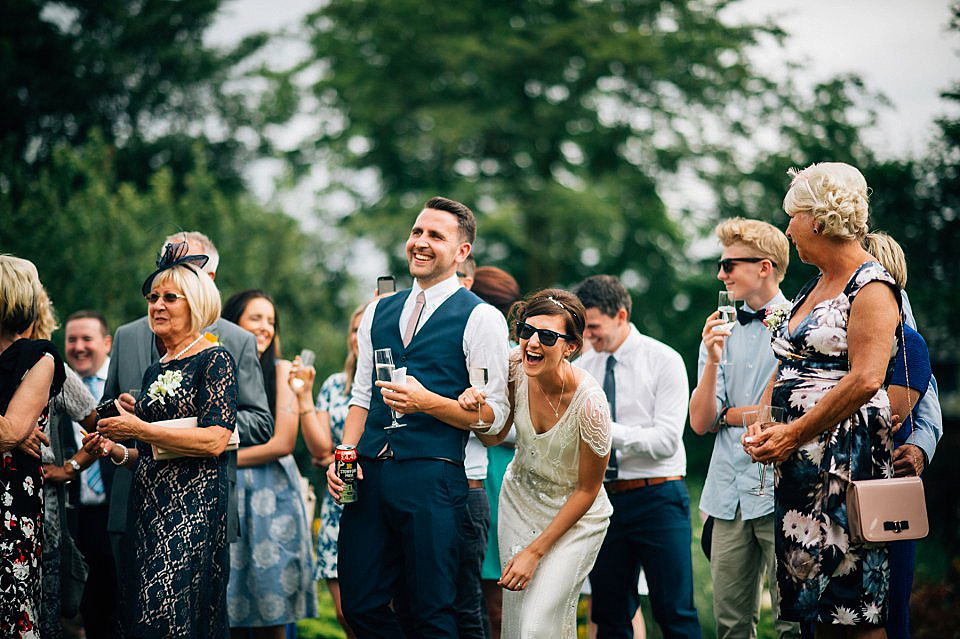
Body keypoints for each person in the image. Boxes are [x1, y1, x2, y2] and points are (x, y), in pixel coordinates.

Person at [326, 196, 510, 639]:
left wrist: (427, 402)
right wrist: (343, 454)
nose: (420, 243)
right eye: (416, 232)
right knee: (359, 604)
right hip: (367, 475)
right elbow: (361, 395)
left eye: (435, 236)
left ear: (462, 252)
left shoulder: (481, 318)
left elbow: (495, 416)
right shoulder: (377, 310)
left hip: (436, 477)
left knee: (433, 612)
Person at [744, 162, 899, 638]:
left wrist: (793, 431)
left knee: (851, 608)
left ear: (817, 219)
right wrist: (770, 423)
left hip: (847, 466)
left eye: (791, 217)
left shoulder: (870, 286)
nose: (787, 228)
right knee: (811, 609)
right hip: (800, 466)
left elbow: (867, 378)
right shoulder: (814, 284)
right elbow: (793, 364)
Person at [84, 243, 239, 636]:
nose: (158, 305)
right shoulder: (155, 370)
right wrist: (117, 447)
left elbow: (215, 440)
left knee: (172, 616)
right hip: (148, 507)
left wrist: (138, 428)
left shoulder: (215, 360)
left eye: (171, 297)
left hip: (194, 509)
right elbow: (153, 454)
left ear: (197, 303)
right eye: (153, 297)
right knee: (140, 614)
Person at [101, 231, 273, 559]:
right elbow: (110, 411)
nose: (160, 303)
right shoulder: (127, 335)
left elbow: (259, 422)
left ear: (206, 280)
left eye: (185, 270)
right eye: (155, 293)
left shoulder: (234, 342)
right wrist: (115, 431)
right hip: (136, 497)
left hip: (200, 500)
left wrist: (195, 424)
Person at [462, 288, 611, 639]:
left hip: (577, 516)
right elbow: (493, 437)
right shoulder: (515, 368)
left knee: (537, 621)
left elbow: (588, 489)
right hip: (520, 503)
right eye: (526, 331)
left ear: (570, 347)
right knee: (518, 622)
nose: (531, 342)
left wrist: (533, 553)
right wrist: (477, 408)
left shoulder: (591, 406)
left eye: (547, 336)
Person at [688, 218, 800, 639]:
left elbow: (784, 413)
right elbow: (701, 422)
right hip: (727, 492)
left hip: (781, 488)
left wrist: (732, 414)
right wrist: (713, 357)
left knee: (793, 622)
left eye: (729, 264)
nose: (721, 274)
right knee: (730, 625)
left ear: (764, 267)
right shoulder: (717, 328)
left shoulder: (800, 325)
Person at [574, 275, 700, 639]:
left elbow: (665, 441)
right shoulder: (583, 369)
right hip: (602, 500)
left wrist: (602, 428)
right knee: (609, 613)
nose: (589, 336)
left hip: (658, 498)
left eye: (594, 326)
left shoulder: (664, 360)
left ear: (621, 315)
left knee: (674, 610)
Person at [221, 290, 317, 638]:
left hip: (271, 500)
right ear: (232, 324)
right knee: (225, 602)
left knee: (272, 600)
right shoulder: (214, 368)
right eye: (255, 318)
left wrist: (214, 458)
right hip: (226, 495)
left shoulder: (281, 372)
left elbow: (282, 443)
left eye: (271, 321)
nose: (265, 328)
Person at [862, 232, 941, 639]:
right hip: (840, 487)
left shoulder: (907, 339)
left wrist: (920, 448)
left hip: (887, 484)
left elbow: (925, 411)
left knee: (889, 611)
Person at [0, 254, 66, 638]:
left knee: (10, 604)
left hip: (10, 504)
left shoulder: (40, 357)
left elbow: (11, 432)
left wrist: (13, 430)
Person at [28, 289, 98, 639]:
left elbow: (100, 429)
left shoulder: (51, 364)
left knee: (44, 614)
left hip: (42, 511)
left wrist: (69, 467)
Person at [45, 310, 119, 639]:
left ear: (106, 343)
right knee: (82, 605)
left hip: (115, 509)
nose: (78, 347)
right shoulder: (52, 384)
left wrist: (71, 467)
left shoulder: (121, 383)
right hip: (74, 512)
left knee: (117, 602)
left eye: (87, 339)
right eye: (71, 340)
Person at [309, 304, 367, 639]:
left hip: (376, 496)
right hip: (337, 501)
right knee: (345, 613)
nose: (359, 337)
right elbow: (320, 449)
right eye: (354, 330)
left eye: (365, 329)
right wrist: (303, 396)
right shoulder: (333, 386)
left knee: (377, 610)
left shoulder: (391, 380)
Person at [471, 266, 522, 639]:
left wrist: (475, 420)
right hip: (470, 473)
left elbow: (524, 427)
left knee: (496, 597)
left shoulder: (515, 358)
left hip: (500, 476)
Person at [456, 264, 492, 639]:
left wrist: (473, 406)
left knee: (468, 606)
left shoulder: (483, 327)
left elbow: (497, 422)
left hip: (468, 484)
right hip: (416, 487)